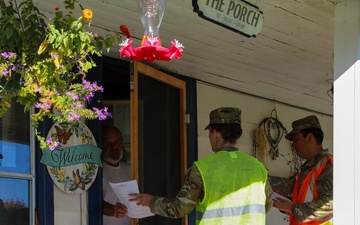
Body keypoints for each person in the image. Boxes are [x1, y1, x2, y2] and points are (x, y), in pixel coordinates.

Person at [129, 107, 273, 224]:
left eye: (210, 133)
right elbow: (267, 206)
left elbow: (179, 209)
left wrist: (151, 201)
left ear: (215, 133)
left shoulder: (202, 169)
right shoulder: (258, 167)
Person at [273, 115, 333, 225]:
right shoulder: (309, 168)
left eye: (296, 139)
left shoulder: (327, 165)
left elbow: (332, 205)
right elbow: (305, 202)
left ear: (309, 137)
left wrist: (293, 209)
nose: (293, 145)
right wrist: (286, 203)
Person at [102, 125, 131, 225]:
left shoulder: (130, 169)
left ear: (122, 144)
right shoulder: (97, 171)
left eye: (116, 142)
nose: (113, 147)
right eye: (108, 143)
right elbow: (94, 203)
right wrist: (113, 210)